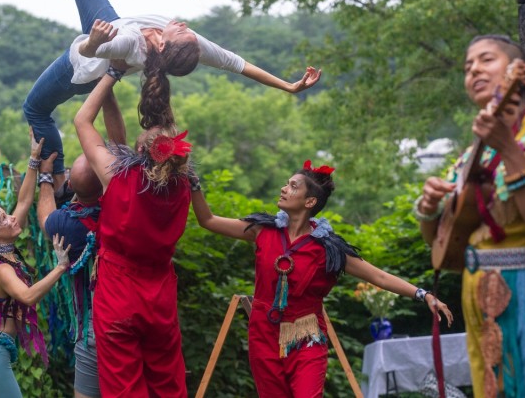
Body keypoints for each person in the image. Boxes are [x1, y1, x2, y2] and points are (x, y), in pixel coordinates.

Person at [0, 0, 322, 192]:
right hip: (112, 24)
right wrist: (288, 86)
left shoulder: (128, 47)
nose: (181, 23)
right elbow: (238, 64)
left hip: (86, 65)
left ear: (164, 44)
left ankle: (59, 176)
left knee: (34, 109)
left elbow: (87, 49)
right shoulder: (188, 46)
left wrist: (93, 42)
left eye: (180, 29)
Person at [415, 34, 525, 397]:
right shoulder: (470, 156)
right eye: (468, 66)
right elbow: (443, 245)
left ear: (517, 73)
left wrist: (510, 151)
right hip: (479, 300)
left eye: (485, 60)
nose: (474, 70)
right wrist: (430, 207)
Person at [191, 160, 453, 397]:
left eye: (293, 186)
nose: (284, 188)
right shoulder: (262, 231)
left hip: (306, 335)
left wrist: (423, 294)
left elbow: (379, 276)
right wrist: (193, 183)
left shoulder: (328, 248)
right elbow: (208, 220)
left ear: (309, 202)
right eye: (287, 184)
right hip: (263, 333)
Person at [73, 61, 193, 397]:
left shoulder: (117, 176)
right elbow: (162, 140)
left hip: (118, 292)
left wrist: (111, 72)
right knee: (168, 383)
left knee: (123, 387)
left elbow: (82, 120)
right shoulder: (184, 186)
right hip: (160, 295)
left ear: (138, 152)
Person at [0, 129, 71, 398]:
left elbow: (24, 200)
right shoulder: (1, 269)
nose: (12, 218)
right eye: (3, 219)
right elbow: (28, 296)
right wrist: (60, 266)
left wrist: (33, 159)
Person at [35, 88, 126, 398]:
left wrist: (45, 177)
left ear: (70, 184)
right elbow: (119, 146)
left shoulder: (68, 225)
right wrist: (108, 94)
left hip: (95, 328)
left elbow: (45, 216)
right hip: (130, 316)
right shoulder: (123, 207)